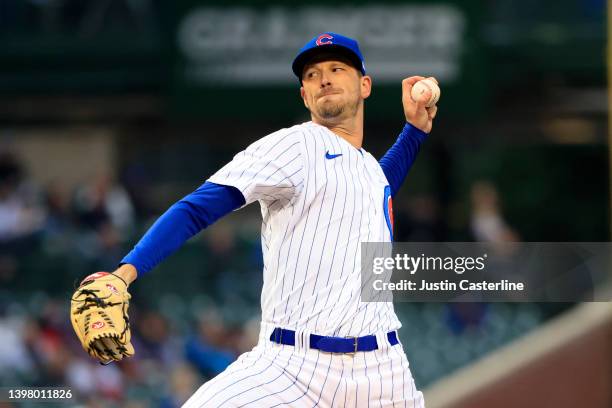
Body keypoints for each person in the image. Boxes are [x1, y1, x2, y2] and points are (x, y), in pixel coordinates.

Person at [106, 32, 436, 407]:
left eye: (336, 68)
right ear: (304, 96)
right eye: (311, 75)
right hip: (291, 368)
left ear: (365, 85)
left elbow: (378, 184)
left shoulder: (364, 167)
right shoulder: (295, 145)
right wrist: (124, 273)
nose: (324, 78)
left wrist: (414, 131)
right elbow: (197, 208)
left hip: (383, 372)